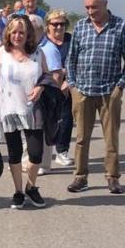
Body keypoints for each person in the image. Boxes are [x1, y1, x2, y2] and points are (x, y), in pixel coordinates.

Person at [65, 0, 125, 195]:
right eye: (87, 7)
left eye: (94, 7)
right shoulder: (80, 27)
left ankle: (113, 177)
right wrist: (73, 86)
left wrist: (120, 86)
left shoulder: (122, 26)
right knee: (81, 138)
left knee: (111, 138)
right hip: (83, 91)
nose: (90, 11)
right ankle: (80, 177)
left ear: (105, 4)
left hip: (109, 92)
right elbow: (71, 59)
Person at [0, 16, 48, 209]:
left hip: (33, 109)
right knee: (14, 153)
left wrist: (40, 88)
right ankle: (19, 191)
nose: (17, 36)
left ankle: (31, 186)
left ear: (28, 34)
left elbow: (47, 76)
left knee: (36, 153)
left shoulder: (38, 53)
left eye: (21, 32)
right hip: (9, 109)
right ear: (8, 33)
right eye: (13, 32)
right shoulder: (1, 53)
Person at [39, 9, 74, 169]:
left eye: (62, 24)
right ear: (48, 25)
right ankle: (43, 157)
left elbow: (78, 62)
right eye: (55, 24)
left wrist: (68, 80)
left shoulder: (71, 40)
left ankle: (62, 151)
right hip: (46, 87)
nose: (59, 27)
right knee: (45, 121)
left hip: (67, 87)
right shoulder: (42, 42)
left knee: (65, 119)